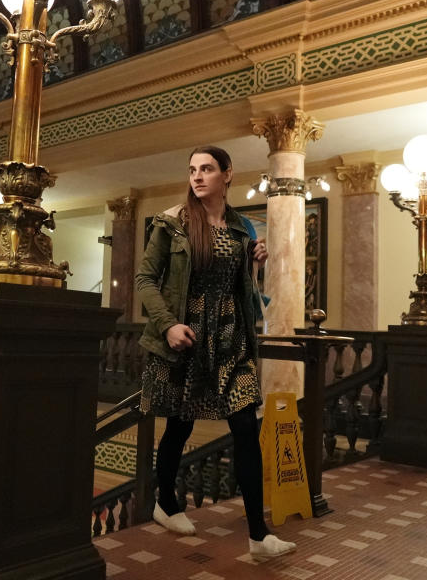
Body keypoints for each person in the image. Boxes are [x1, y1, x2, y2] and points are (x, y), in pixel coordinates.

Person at [135, 145, 295, 561]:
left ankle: (259, 536)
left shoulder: (243, 227)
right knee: (179, 426)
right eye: (192, 169)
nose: (197, 176)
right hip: (186, 338)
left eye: (207, 169)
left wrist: (254, 264)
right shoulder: (172, 223)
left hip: (231, 339)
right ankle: (166, 502)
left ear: (227, 175)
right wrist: (168, 324)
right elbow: (145, 279)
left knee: (245, 428)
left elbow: (243, 288)